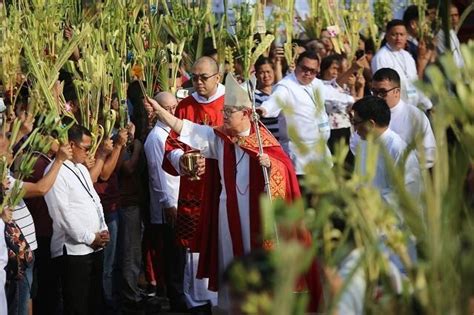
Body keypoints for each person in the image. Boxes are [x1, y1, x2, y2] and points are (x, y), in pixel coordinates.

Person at [144, 73, 321, 313]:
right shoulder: (222, 139)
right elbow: (186, 129)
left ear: (246, 114)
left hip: (258, 219)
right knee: (231, 264)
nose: (224, 117)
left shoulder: (263, 143)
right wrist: (160, 111)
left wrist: (271, 166)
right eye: (224, 112)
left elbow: (284, 171)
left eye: (229, 113)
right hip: (227, 216)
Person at [162, 56, 224, 312]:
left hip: (223, 188)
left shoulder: (230, 103)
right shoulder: (185, 106)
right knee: (194, 250)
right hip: (194, 190)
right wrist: (183, 159)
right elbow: (170, 148)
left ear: (217, 77)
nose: (197, 83)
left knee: (223, 241)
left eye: (203, 78)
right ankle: (198, 301)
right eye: (194, 78)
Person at [44, 124, 110, 315]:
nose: (88, 153)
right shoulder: (54, 170)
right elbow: (61, 214)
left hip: (95, 245)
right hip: (73, 250)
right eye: (86, 148)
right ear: (71, 145)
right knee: (77, 304)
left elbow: (94, 199)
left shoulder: (80, 168)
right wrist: (89, 237)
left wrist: (103, 228)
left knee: (94, 302)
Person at [259, 51, 332, 180]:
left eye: (313, 71)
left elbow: (334, 94)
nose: (308, 73)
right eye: (304, 69)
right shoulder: (285, 86)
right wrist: (263, 110)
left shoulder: (317, 83)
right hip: (299, 160)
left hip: (321, 155)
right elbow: (275, 101)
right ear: (296, 66)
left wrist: (352, 99)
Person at [351, 68, 436, 169]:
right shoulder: (366, 114)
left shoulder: (415, 116)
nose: (377, 96)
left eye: (382, 92)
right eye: (373, 91)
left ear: (397, 91)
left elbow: (428, 155)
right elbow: (356, 145)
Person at [350, 96, 422, 209]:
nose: (355, 128)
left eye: (356, 122)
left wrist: (367, 198)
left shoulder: (399, 150)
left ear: (370, 124)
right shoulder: (363, 142)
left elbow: (407, 194)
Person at [143, 92, 181, 305]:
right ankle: (172, 296)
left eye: (175, 107)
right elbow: (157, 174)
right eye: (168, 108)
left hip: (177, 199)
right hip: (168, 205)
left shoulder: (172, 132)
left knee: (177, 253)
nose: (173, 112)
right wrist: (168, 204)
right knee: (170, 253)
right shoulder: (157, 137)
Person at [371, 19, 433, 111]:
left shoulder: (407, 56)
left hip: (413, 108)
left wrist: (428, 105)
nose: (398, 38)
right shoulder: (381, 57)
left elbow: (415, 83)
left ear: (406, 36)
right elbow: (382, 88)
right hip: (394, 110)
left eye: (402, 34)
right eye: (394, 34)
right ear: (387, 36)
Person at [254, 57, 289, 153]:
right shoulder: (253, 96)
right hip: (268, 146)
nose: (266, 76)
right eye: (262, 72)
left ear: (274, 72)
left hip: (286, 145)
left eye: (268, 71)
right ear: (256, 75)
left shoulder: (282, 92)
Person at [436, 3, 465, 68]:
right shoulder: (441, 35)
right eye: (451, 15)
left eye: (456, 15)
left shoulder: (452, 32)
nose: (454, 18)